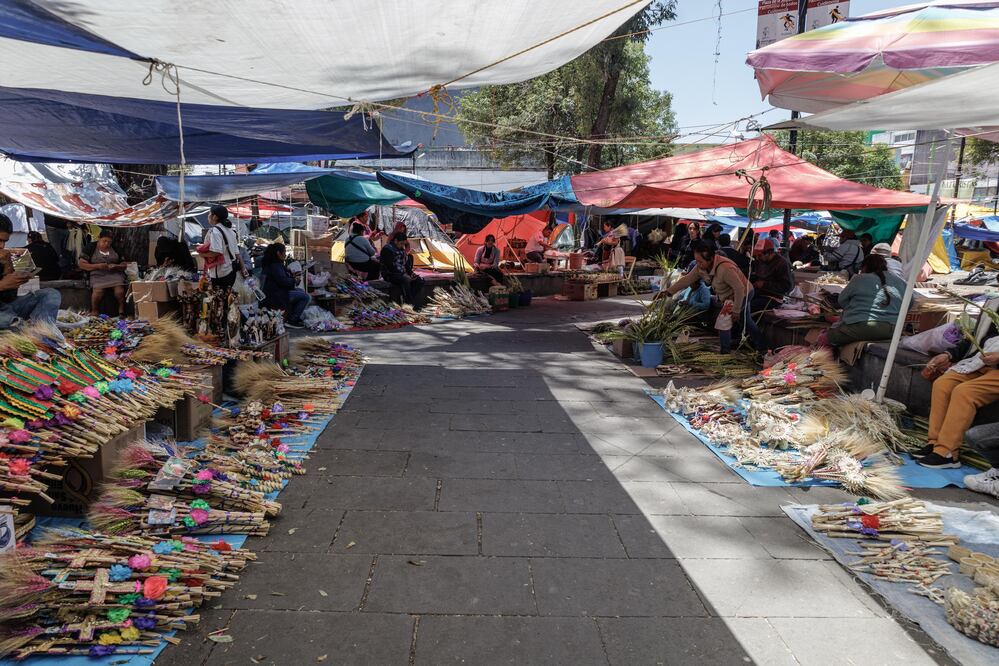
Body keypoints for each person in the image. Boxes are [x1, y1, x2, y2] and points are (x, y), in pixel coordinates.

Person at [917, 306, 999, 470]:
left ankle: (948, 452)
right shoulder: (993, 304)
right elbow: (973, 338)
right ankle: (935, 443)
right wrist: (949, 355)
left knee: (965, 392)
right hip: (981, 362)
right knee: (943, 384)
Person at [664, 241, 768, 354]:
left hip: (742, 293)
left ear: (711, 259)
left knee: (723, 321)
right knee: (746, 321)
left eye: (700, 261)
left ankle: (725, 351)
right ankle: (762, 346)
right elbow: (687, 279)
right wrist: (668, 292)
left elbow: (739, 289)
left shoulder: (725, 268)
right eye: (697, 261)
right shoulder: (701, 267)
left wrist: (736, 310)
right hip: (732, 294)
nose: (698, 264)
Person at [825, 254, 905, 346]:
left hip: (861, 327)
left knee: (825, 338)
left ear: (865, 267)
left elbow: (842, 300)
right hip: (892, 330)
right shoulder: (900, 281)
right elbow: (909, 304)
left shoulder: (859, 279)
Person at [0, 214, 61, 330]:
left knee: (51, 295)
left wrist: (9, 268)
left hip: (7, 308)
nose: (2, 246)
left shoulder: (2, 257)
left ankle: (43, 334)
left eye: (4, 241)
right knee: (15, 323)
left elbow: (9, 298)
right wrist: (2, 285)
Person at [260, 243, 309, 329]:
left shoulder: (275, 264)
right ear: (278, 253)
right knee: (305, 296)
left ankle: (291, 317)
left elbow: (283, 278)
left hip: (277, 293)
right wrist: (294, 280)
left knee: (300, 292)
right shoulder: (275, 266)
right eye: (284, 252)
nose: (285, 255)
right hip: (276, 296)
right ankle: (292, 320)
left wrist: (291, 275)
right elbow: (283, 281)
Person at [78, 230, 126, 316]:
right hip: (97, 274)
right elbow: (82, 264)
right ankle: (95, 311)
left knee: (119, 291)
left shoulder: (115, 248)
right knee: (98, 291)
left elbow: (124, 265)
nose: (107, 244)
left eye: (109, 242)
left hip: (114, 274)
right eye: (104, 241)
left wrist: (116, 266)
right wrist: (97, 266)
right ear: (99, 238)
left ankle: (121, 309)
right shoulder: (90, 247)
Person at [199, 204, 245, 289]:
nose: (208, 216)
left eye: (210, 213)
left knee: (220, 299)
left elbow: (216, 251)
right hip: (231, 270)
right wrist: (243, 268)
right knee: (229, 298)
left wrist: (203, 255)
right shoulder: (230, 231)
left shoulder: (215, 231)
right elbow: (237, 253)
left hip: (220, 273)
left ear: (215, 217)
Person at [750, 239, 794, 311]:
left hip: (773, 298)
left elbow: (786, 286)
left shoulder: (781, 263)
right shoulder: (759, 261)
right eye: (756, 255)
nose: (757, 258)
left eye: (760, 255)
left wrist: (764, 284)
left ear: (769, 253)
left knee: (749, 306)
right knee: (741, 302)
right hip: (758, 293)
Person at [380, 232, 420, 306]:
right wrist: (404, 275)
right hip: (390, 274)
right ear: (395, 241)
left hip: (401, 273)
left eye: (403, 244)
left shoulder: (401, 249)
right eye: (401, 243)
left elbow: (406, 264)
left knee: (419, 281)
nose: (402, 246)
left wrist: (411, 273)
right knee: (406, 280)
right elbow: (390, 267)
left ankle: (409, 299)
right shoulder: (387, 249)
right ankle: (410, 303)